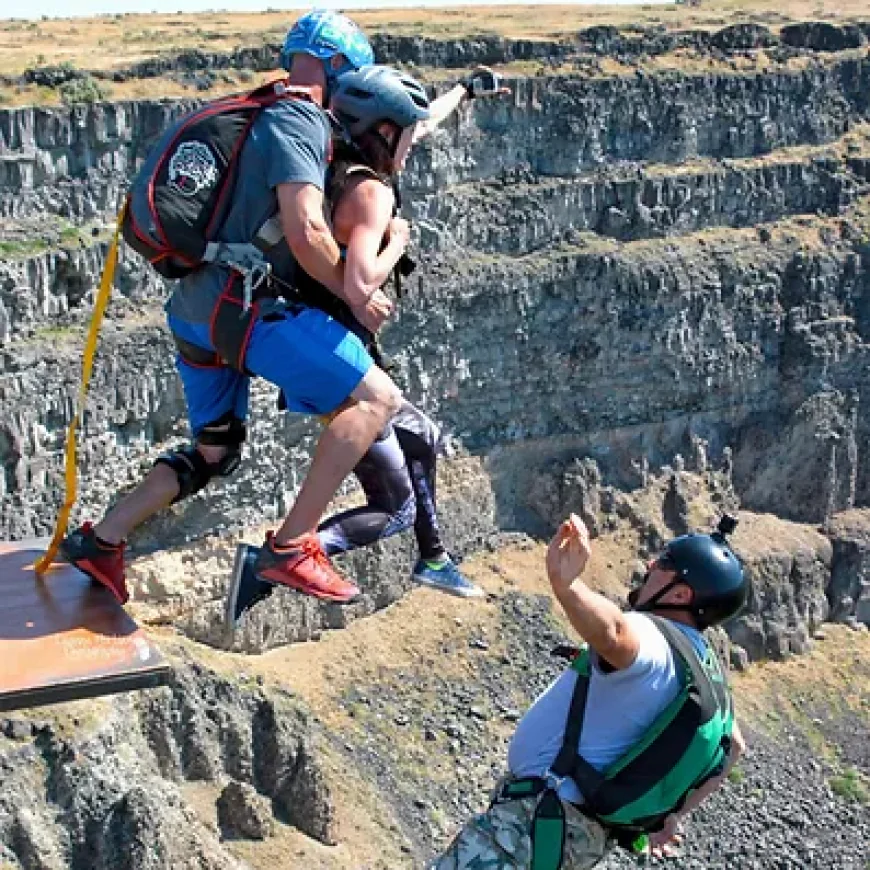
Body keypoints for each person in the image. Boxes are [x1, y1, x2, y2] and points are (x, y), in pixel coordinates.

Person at [60, 10, 406, 608]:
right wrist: (356, 291)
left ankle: (102, 539)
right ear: (341, 69)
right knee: (377, 400)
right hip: (245, 309)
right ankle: (294, 545)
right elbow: (305, 233)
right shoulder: (298, 119)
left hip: (196, 312)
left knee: (213, 452)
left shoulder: (255, 108)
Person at [226, 65, 490, 626]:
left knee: (423, 436)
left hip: (332, 348)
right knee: (393, 511)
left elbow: (427, 122)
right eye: (408, 133)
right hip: (339, 366)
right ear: (386, 131)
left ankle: (434, 558)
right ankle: (272, 560)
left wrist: (464, 90)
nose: (416, 143)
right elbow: (361, 282)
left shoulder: (329, 159)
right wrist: (397, 240)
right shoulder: (371, 191)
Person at [430, 514, 749, 870]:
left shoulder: (654, 638)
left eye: (665, 563)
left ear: (680, 594)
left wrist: (567, 586)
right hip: (571, 841)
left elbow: (613, 633)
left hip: (527, 831)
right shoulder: (703, 668)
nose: (650, 564)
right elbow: (734, 745)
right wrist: (671, 815)